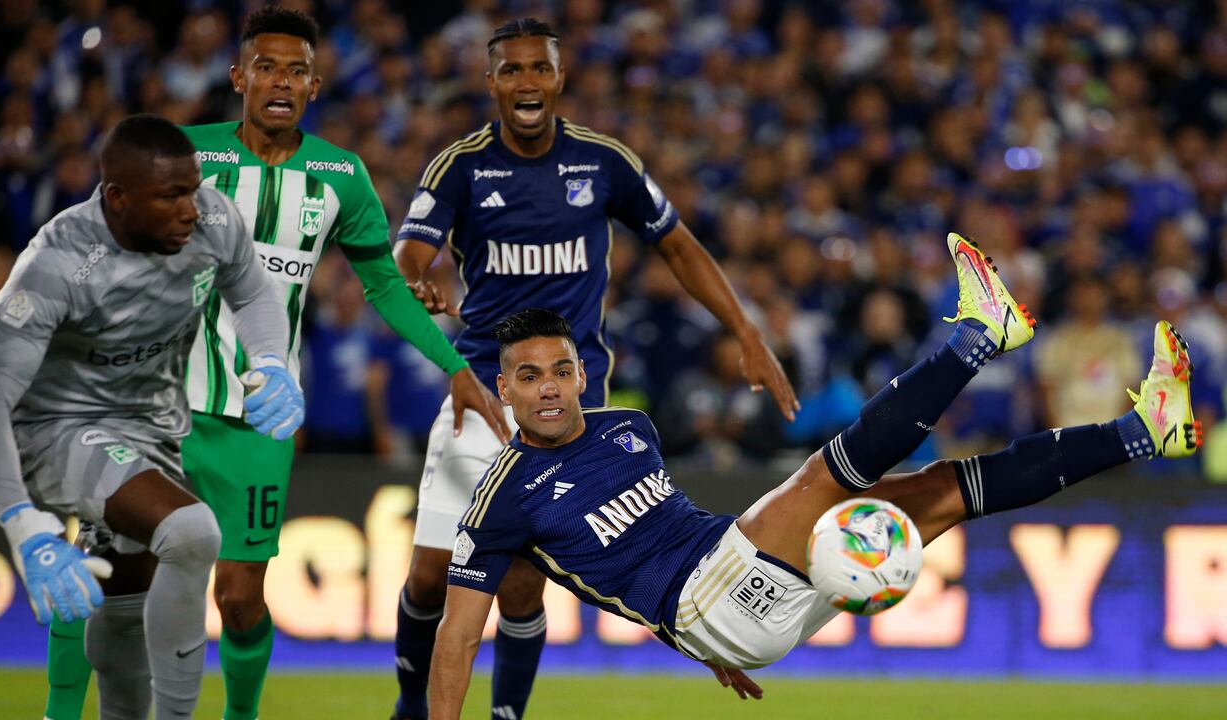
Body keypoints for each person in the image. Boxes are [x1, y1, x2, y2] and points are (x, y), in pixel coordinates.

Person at [429, 233, 1201, 717]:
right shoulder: (500, 499)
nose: (549, 387)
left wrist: (713, 647)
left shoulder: (626, 428)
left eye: (560, 370)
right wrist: (705, 632)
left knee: (946, 489)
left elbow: (638, 557)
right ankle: (979, 335)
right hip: (714, 603)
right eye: (528, 376)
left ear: (579, 372)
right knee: (822, 478)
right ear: (505, 389)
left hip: (733, 595)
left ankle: (1143, 431)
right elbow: (458, 639)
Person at [40, 8, 508, 720]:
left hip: (257, 424)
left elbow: (383, 285)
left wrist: (456, 366)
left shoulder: (340, 176)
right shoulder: (185, 156)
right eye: (267, 68)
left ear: (314, 86)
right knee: (105, 573)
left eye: (296, 71)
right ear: (240, 78)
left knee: (239, 598)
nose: (281, 82)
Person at [391, 17, 799, 720]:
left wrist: (745, 330)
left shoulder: (603, 161)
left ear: (560, 77)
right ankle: (408, 706)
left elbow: (678, 245)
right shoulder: (461, 166)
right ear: (491, 82)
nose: (527, 82)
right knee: (431, 576)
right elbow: (407, 254)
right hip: (481, 390)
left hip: (571, 406)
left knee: (524, 584)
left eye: (539, 68)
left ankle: (506, 715)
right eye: (512, 70)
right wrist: (415, 280)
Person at [0, 113, 303, 720]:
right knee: (192, 533)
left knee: (125, 595)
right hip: (57, 429)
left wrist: (272, 361)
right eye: (171, 196)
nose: (191, 210)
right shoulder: (59, 262)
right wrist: (21, 523)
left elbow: (252, 293)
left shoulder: (212, 218)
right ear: (117, 198)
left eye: (193, 189)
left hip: (152, 429)